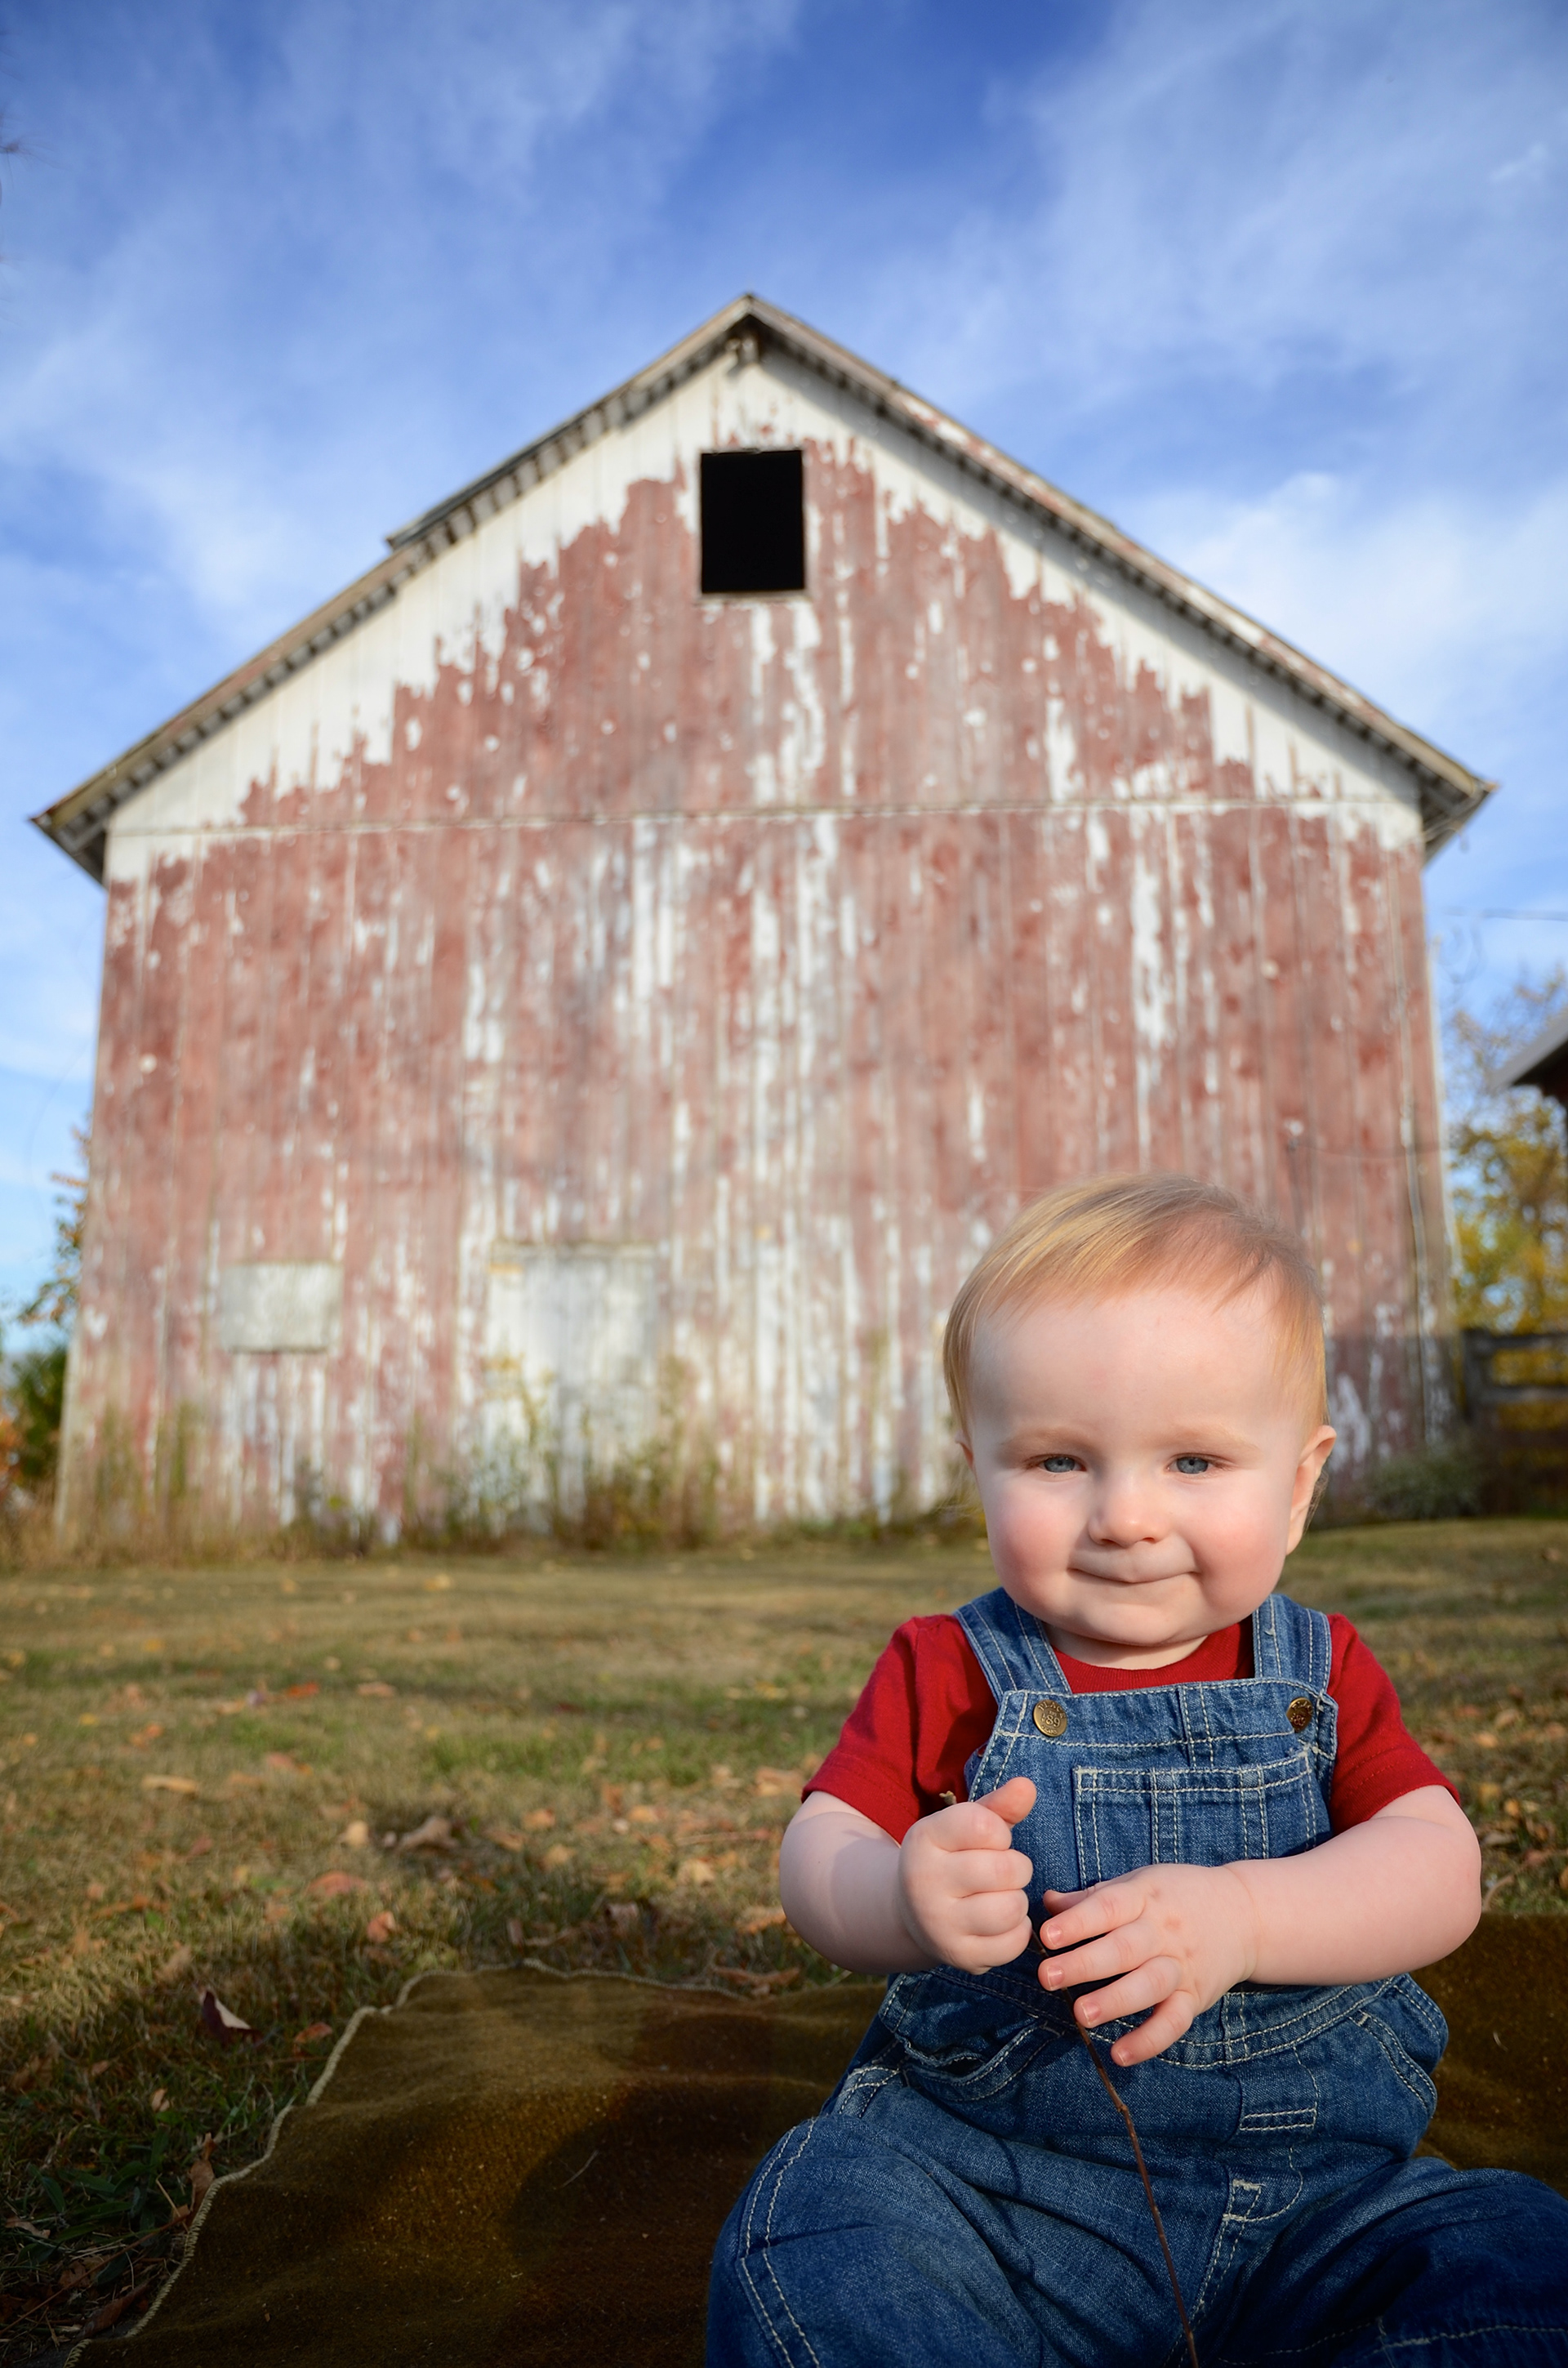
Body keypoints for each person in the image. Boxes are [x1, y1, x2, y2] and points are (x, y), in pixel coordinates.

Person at [707, 1173, 1568, 2366]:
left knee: (1518, 2257)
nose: (1124, 1516)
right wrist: (895, 1894)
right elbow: (820, 1854)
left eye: (1194, 1462)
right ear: (979, 1471)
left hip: (1323, 2207)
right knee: (814, 2228)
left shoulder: (1320, 1673)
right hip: (994, 2190)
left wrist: (1247, 1917)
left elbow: (1439, 1870)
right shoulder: (948, 1666)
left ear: (1300, 1486)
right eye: (1059, 1461)